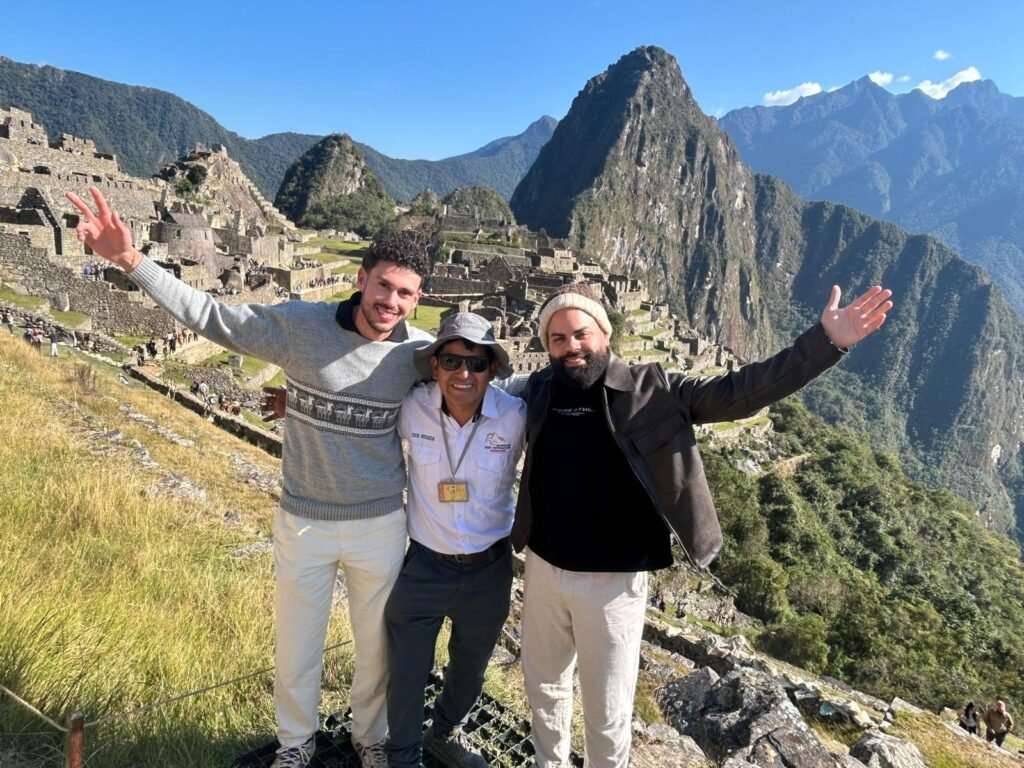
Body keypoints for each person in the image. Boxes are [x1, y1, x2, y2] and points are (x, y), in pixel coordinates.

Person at [67, 186, 434, 768]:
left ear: (418, 300)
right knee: (296, 644)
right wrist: (130, 260)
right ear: (362, 278)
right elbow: (213, 318)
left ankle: (370, 738)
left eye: (405, 293)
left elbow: (477, 386)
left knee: (377, 649)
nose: (391, 301)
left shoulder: (419, 355)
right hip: (304, 519)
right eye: (384, 285)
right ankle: (295, 745)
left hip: (380, 523)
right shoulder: (299, 326)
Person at [512, 281, 893, 768]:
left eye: (580, 334)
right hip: (543, 567)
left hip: (613, 581)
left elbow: (741, 393)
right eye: (558, 339)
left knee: (607, 713)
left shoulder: (654, 389)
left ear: (604, 333)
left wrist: (824, 343)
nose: (571, 347)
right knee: (544, 689)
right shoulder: (541, 390)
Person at [385, 313, 526, 768]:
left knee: (470, 665)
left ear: (492, 369)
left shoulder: (514, 416)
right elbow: (354, 410)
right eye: (452, 360)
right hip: (426, 564)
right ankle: (403, 757)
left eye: (477, 363)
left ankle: (444, 733)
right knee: (407, 668)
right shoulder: (412, 408)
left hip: (490, 566)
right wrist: (297, 403)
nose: (464, 374)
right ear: (434, 366)